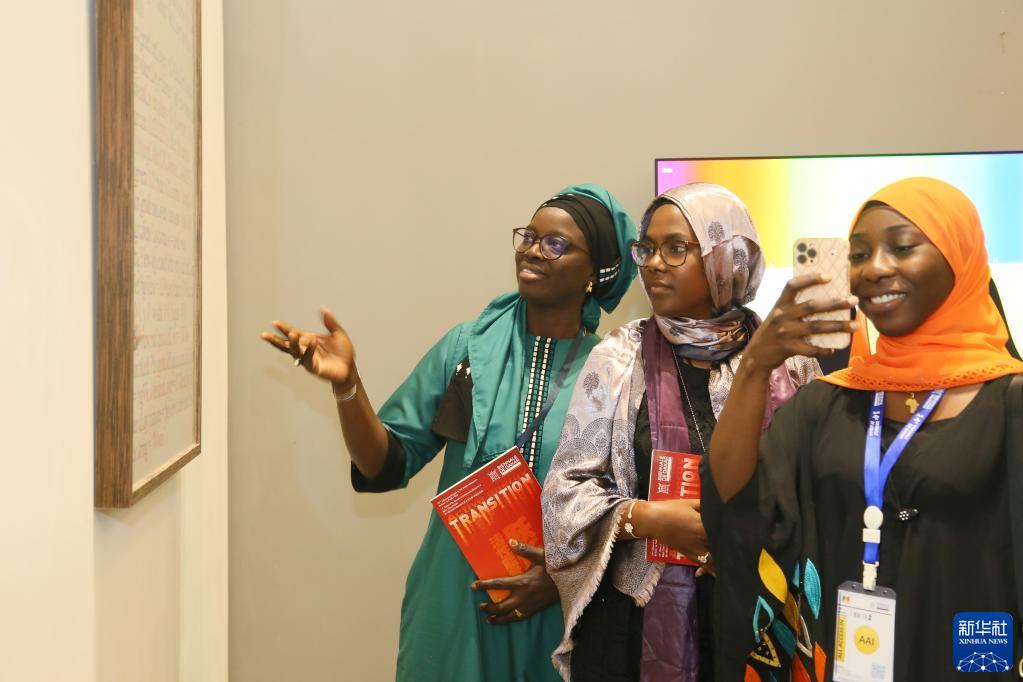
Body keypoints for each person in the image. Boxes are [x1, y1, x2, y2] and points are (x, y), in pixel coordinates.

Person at [261, 184, 636, 681]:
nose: (531, 251)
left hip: (562, 610)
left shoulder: (613, 373)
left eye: (555, 244)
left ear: (594, 273)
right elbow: (386, 464)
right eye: (528, 237)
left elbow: (629, 510)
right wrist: (348, 386)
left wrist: (560, 578)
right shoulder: (466, 350)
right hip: (455, 601)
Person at [704, 176, 1023, 680]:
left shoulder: (1010, 403)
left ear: (959, 259)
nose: (874, 268)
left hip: (973, 660)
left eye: (902, 247)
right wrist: (756, 366)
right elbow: (736, 504)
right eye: (857, 254)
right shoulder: (826, 403)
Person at [541, 183, 819, 682]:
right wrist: (645, 518)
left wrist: (743, 537)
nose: (653, 264)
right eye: (646, 248)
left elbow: (817, 492)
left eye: (675, 248)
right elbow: (564, 495)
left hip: (761, 610)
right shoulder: (618, 358)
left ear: (726, 259)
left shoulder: (788, 361)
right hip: (634, 627)